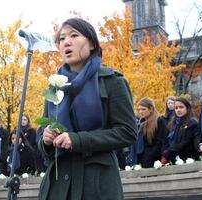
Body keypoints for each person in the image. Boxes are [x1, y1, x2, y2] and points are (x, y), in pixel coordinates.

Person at [38, 18, 137, 200]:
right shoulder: (55, 88)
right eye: (61, 39)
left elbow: (128, 132)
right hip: (58, 188)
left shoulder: (112, 82)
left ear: (91, 43)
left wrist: (78, 140)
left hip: (96, 185)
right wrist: (45, 139)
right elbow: (41, 138)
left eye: (74, 35)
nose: (66, 42)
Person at [130, 97, 168, 168]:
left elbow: (162, 141)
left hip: (155, 160)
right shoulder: (140, 123)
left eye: (143, 109)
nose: (141, 112)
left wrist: (151, 156)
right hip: (142, 158)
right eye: (139, 109)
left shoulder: (159, 121)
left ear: (151, 109)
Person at [162, 97, 201, 163]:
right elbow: (166, 140)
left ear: (187, 108)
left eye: (181, 107)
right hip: (173, 159)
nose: (178, 110)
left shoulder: (192, 123)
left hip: (188, 159)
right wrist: (164, 152)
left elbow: (185, 142)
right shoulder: (172, 124)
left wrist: (169, 151)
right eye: (176, 108)